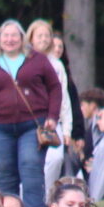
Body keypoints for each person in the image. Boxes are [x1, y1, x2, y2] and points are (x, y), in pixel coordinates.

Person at [0, 21, 62, 207]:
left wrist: (52, 117)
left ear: (22, 39)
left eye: (14, 36)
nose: (10, 39)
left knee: (30, 167)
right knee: (4, 173)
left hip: (32, 125)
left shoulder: (37, 60)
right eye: (6, 36)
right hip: (0, 128)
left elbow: (55, 88)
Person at [24, 22, 75, 194]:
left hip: (51, 121)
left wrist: (67, 128)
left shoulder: (57, 65)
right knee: (28, 160)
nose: (44, 39)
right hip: (27, 119)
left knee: (55, 158)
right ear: (31, 38)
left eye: (47, 35)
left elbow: (64, 98)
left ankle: (45, 196)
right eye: (40, 36)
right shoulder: (22, 61)